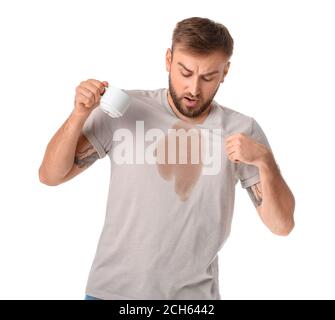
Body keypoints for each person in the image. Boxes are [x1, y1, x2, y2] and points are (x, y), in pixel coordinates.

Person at [39, 17, 295, 300]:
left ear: (225, 72)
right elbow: (51, 175)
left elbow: (281, 225)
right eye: (185, 72)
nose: (194, 89)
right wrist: (78, 115)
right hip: (110, 294)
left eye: (208, 77)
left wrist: (265, 162)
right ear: (168, 60)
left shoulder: (241, 130)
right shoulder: (124, 109)